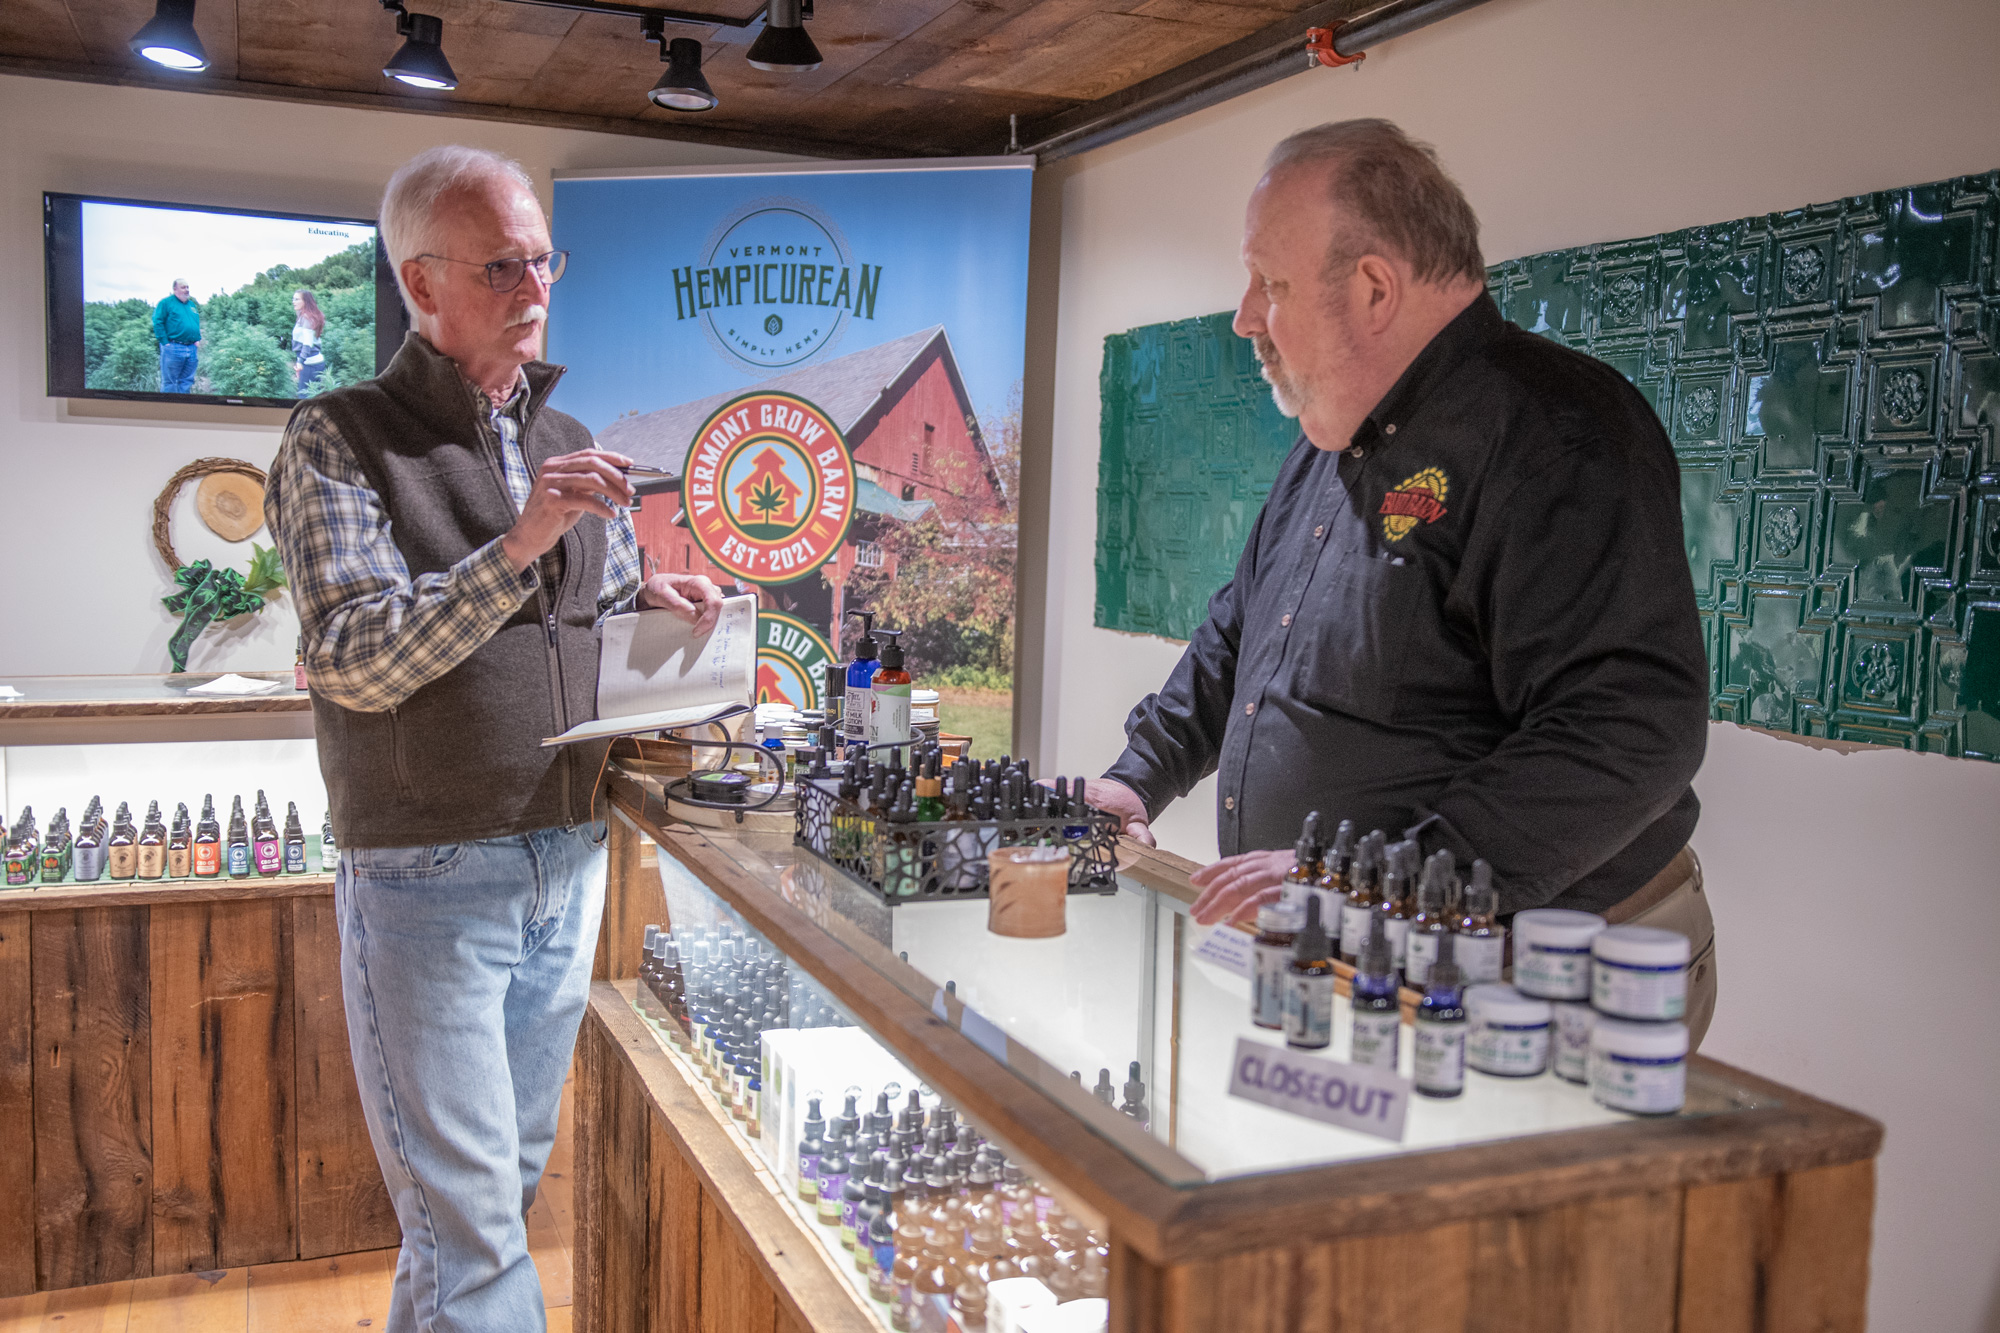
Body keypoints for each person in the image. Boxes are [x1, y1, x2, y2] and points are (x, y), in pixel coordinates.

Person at [1085, 120, 1718, 1047]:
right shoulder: (1329, 442)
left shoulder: (1556, 432)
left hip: (1538, 973)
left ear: (1375, 287)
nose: (1245, 316)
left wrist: (1370, 881)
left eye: (1272, 283)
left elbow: (1632, 727)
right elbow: (1238, 636)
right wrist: (1138, 778)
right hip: (1354, 951)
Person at [265, 144, 723, 1332]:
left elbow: (585, 609)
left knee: (481, 1213)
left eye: (544, 261)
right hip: (425, 875)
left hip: (564, 860)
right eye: (503, 265)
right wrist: (520, 540)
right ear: (419, 286)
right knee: (471, 1240)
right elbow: (358, 658)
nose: (536, 290)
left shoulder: (560, 426)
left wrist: (648, 605)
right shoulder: (337, 436)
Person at [152, 278, 201, 392]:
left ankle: (183, 407)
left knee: (186, 381)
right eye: (183, 287)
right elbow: (158, 322)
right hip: (173, 347)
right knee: (170, 382)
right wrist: (165, 342)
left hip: (191, 348)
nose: (186, 290)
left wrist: (197, 340)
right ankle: (168, 408)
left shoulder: (191, 305)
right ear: (175, 289)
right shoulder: (166, 303)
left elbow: (194, 322)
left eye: (187, 287)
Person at [291, 288, 328, 396]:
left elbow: (308, 343)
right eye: (293, 299)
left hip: (309, 364)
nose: (293, 301)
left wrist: (300, 362)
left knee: (304, 397)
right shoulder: (305, 316)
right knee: (314, 396)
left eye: (297, 299)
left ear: (305, 301)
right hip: (313, 363)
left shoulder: (306, 318)